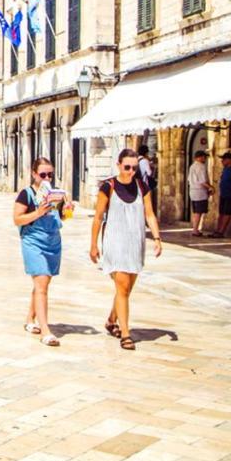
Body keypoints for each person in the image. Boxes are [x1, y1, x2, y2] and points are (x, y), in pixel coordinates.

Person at [90, 148, 162, 351]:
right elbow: (97, 217)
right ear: (119, 165)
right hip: (115, 243)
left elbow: (149, 214)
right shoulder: (108, 187)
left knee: (126, 289)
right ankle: (126, 334)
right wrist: (93, 245)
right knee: (122, 287)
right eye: (127, 167)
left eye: (134, 168)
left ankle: (112, 319)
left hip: (135, 243)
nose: (131, 171)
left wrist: (157, 237)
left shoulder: (142, 187)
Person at [14, 157, 71, 347]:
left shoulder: (55, 194)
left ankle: (29, 319)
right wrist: (37, 212)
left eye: (50, 174)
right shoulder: (26, 194)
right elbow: (17, 219)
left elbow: (62, 217)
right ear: (34, 174)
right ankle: (45, 331)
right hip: (33, 242)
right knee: (42, 285)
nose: (47, 178)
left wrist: (69, 209)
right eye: (43, 174)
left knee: (42, 283)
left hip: (52, 242)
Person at [187, 150, 212, 236]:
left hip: (193, 191)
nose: (205, 159)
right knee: (199, 212)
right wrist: (210, 187)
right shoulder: (201, 166)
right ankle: (195, 230)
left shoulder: (192, 166)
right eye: (204, 157)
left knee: (196, 211)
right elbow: (202, 181)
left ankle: (195, 228)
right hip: (200, 192)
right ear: (200, 157)